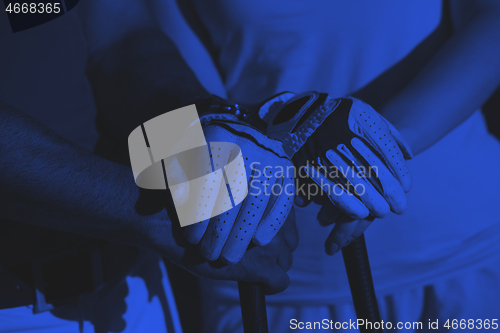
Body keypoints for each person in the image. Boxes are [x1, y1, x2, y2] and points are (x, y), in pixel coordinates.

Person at [154, 0, 500, 331]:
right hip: (272, 270)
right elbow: (164, 78)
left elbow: (490, 16)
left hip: (461, 250)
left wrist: (380, 144)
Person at [0, 1, 298, 332]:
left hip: (131, 285)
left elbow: (117, 39)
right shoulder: (154, 220)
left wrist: (203, 142)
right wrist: (159, 213)